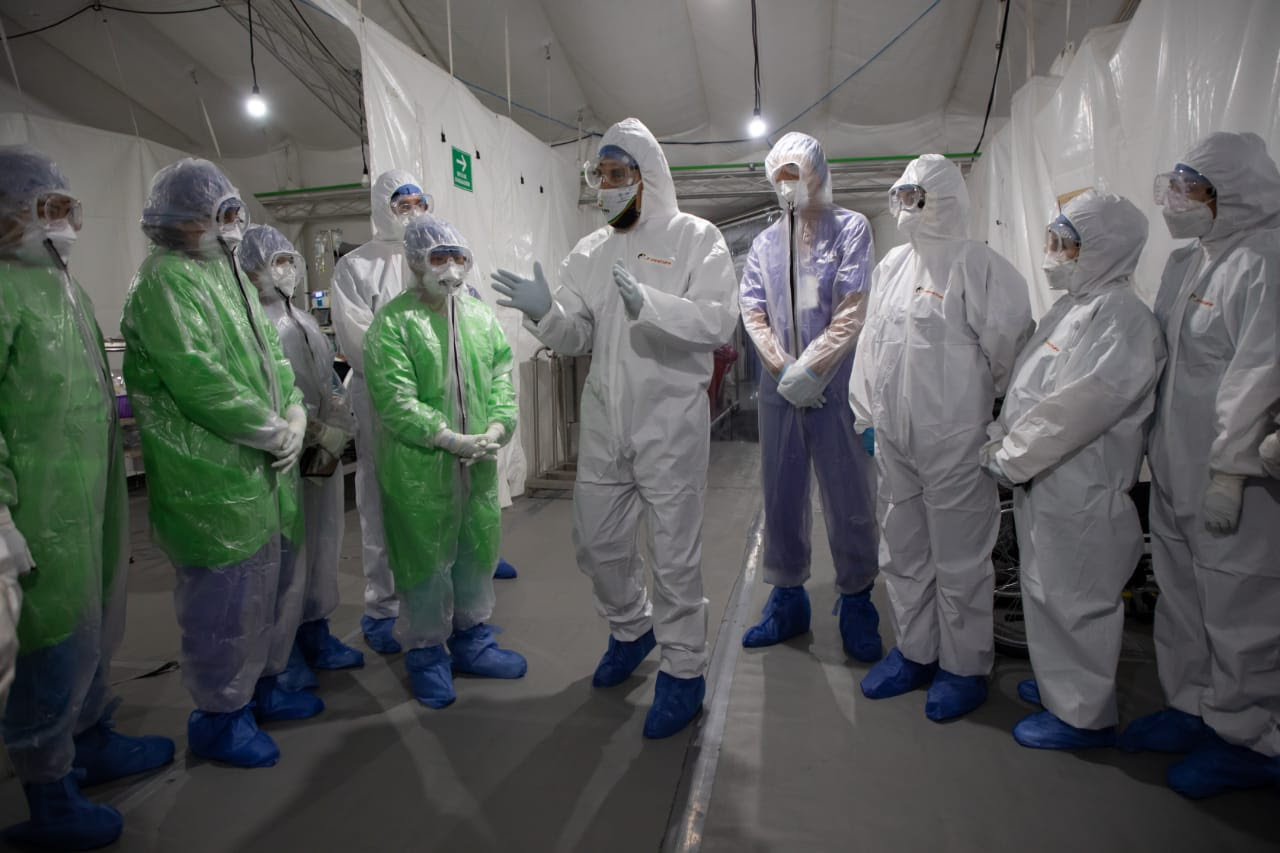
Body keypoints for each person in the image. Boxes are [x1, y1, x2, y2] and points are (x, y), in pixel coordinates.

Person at [492, 118, 738, 739]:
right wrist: (544, 314)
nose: (605, 187)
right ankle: (631, 628)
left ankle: (684, 669)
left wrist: (650, 304)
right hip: (605, 420)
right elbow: (577, 336)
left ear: (646, 176)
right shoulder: (590, 252)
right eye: (598, 175)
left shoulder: (695, 238)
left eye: (615, 174)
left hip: (669, 423)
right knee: (596, 543)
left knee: (674, 556)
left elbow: (718, 322)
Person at [0, 146, 173, 850]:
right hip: (35, 505)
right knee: (51, 638)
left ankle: (92, 736)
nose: (65, 223)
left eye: (69, 209)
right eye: (47, 209)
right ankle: (48, 792)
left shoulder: (62, 289)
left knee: (98, 619)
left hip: (91, 493)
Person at [122, 158, 321, 770]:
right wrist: (272, 429)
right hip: (210, 473)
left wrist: (294, 411)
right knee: (225, 603)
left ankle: (263, 687)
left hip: (260, 466)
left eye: (237, 211)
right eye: (222, 213)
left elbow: (270, 360)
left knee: (268, 586)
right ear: (181, 218)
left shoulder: (227, 272)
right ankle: (220, 717)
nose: (235, 224)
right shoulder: (164, 281)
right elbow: (197, 379)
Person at [1119, 131, 1280, 799]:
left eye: (1193, 189)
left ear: (1232, 193)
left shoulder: (1265, 262)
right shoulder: (1188, 263)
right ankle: (1191, 705)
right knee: (1182, 596)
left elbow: (1257, 377)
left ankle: (1253, 738)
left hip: (1235, 482)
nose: (1176, 201)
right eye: (1176, 186)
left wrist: (1230, 473)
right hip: (1175, 467)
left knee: (1240, 606)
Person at [980, 190, 1165, 749]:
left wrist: (1011, 455)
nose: (1054, 253)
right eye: (1054, 240)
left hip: (1082, 485)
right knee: (1045, 592)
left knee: (1077, 599)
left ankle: (1084, 716)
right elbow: (1029, 389)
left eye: (1067, 243)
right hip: (1048, 481)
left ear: (1106, 248)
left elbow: (1078, 409)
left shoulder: (1123, 318)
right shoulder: (1071, 310)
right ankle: (1060, 687)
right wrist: (1002, 436)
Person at [850, 154, 1032, 722]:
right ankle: (916, 652)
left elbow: (1010, 352)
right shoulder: (892, 266)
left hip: (955, 440)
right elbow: (871, 345)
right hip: (895, 439)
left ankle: (964, 666)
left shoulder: (978, 266)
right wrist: (866, 416)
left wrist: (993, 418)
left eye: (916, 196)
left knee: (960, 558)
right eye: (901, 196)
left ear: (943, 199)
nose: (905, 207)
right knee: (903, 551)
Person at [364, 214, 524, 709]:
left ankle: (472, 639)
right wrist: (446, 437)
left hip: (477, 462)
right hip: (420, 466)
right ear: (416, 261)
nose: (451, 267)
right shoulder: (393, 322)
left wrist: (497, 427)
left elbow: (501, 376)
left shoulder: (478, 317)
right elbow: (394, 397)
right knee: (425, 560)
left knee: (477, 548)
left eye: (458, 257)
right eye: (439, 257)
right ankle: (427, 653)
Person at [737, 132, 880, 659]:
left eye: (794, 172)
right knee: (781, 490)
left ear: (818, 171)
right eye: (778, 175)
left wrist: (814, 369)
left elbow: (852, 307)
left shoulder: (852, 229)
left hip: (836, 389)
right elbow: (752, 309)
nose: (786, 184)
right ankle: (787, 597)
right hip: (781, 394)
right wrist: (784, 370)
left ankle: (858, 598)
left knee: (849, 493)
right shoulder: (765, 244)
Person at [239, 225, 364, 691]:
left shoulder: (305, 321)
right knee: (286, 551)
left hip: (322, 445)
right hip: (283, 449)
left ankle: (316, 629)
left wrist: (338, 424)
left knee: (324, 539)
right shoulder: (249, 324)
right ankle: (281, 651)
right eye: (276, 262)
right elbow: (259, 393)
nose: (286, 271)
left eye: (289, 261)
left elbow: (328, 378)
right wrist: (300, 429)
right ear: (250, 269)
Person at [331, 170, 431, 654]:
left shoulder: (434, 256)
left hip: (435, 396)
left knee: (434, 497)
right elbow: (357, 337)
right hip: (381, 399)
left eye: (418, 202)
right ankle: (384, 604)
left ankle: (434, 601)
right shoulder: (357, 266)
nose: (411, 211)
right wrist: (411, 368)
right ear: (381, 207)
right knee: (380, 497)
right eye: (401, 203)